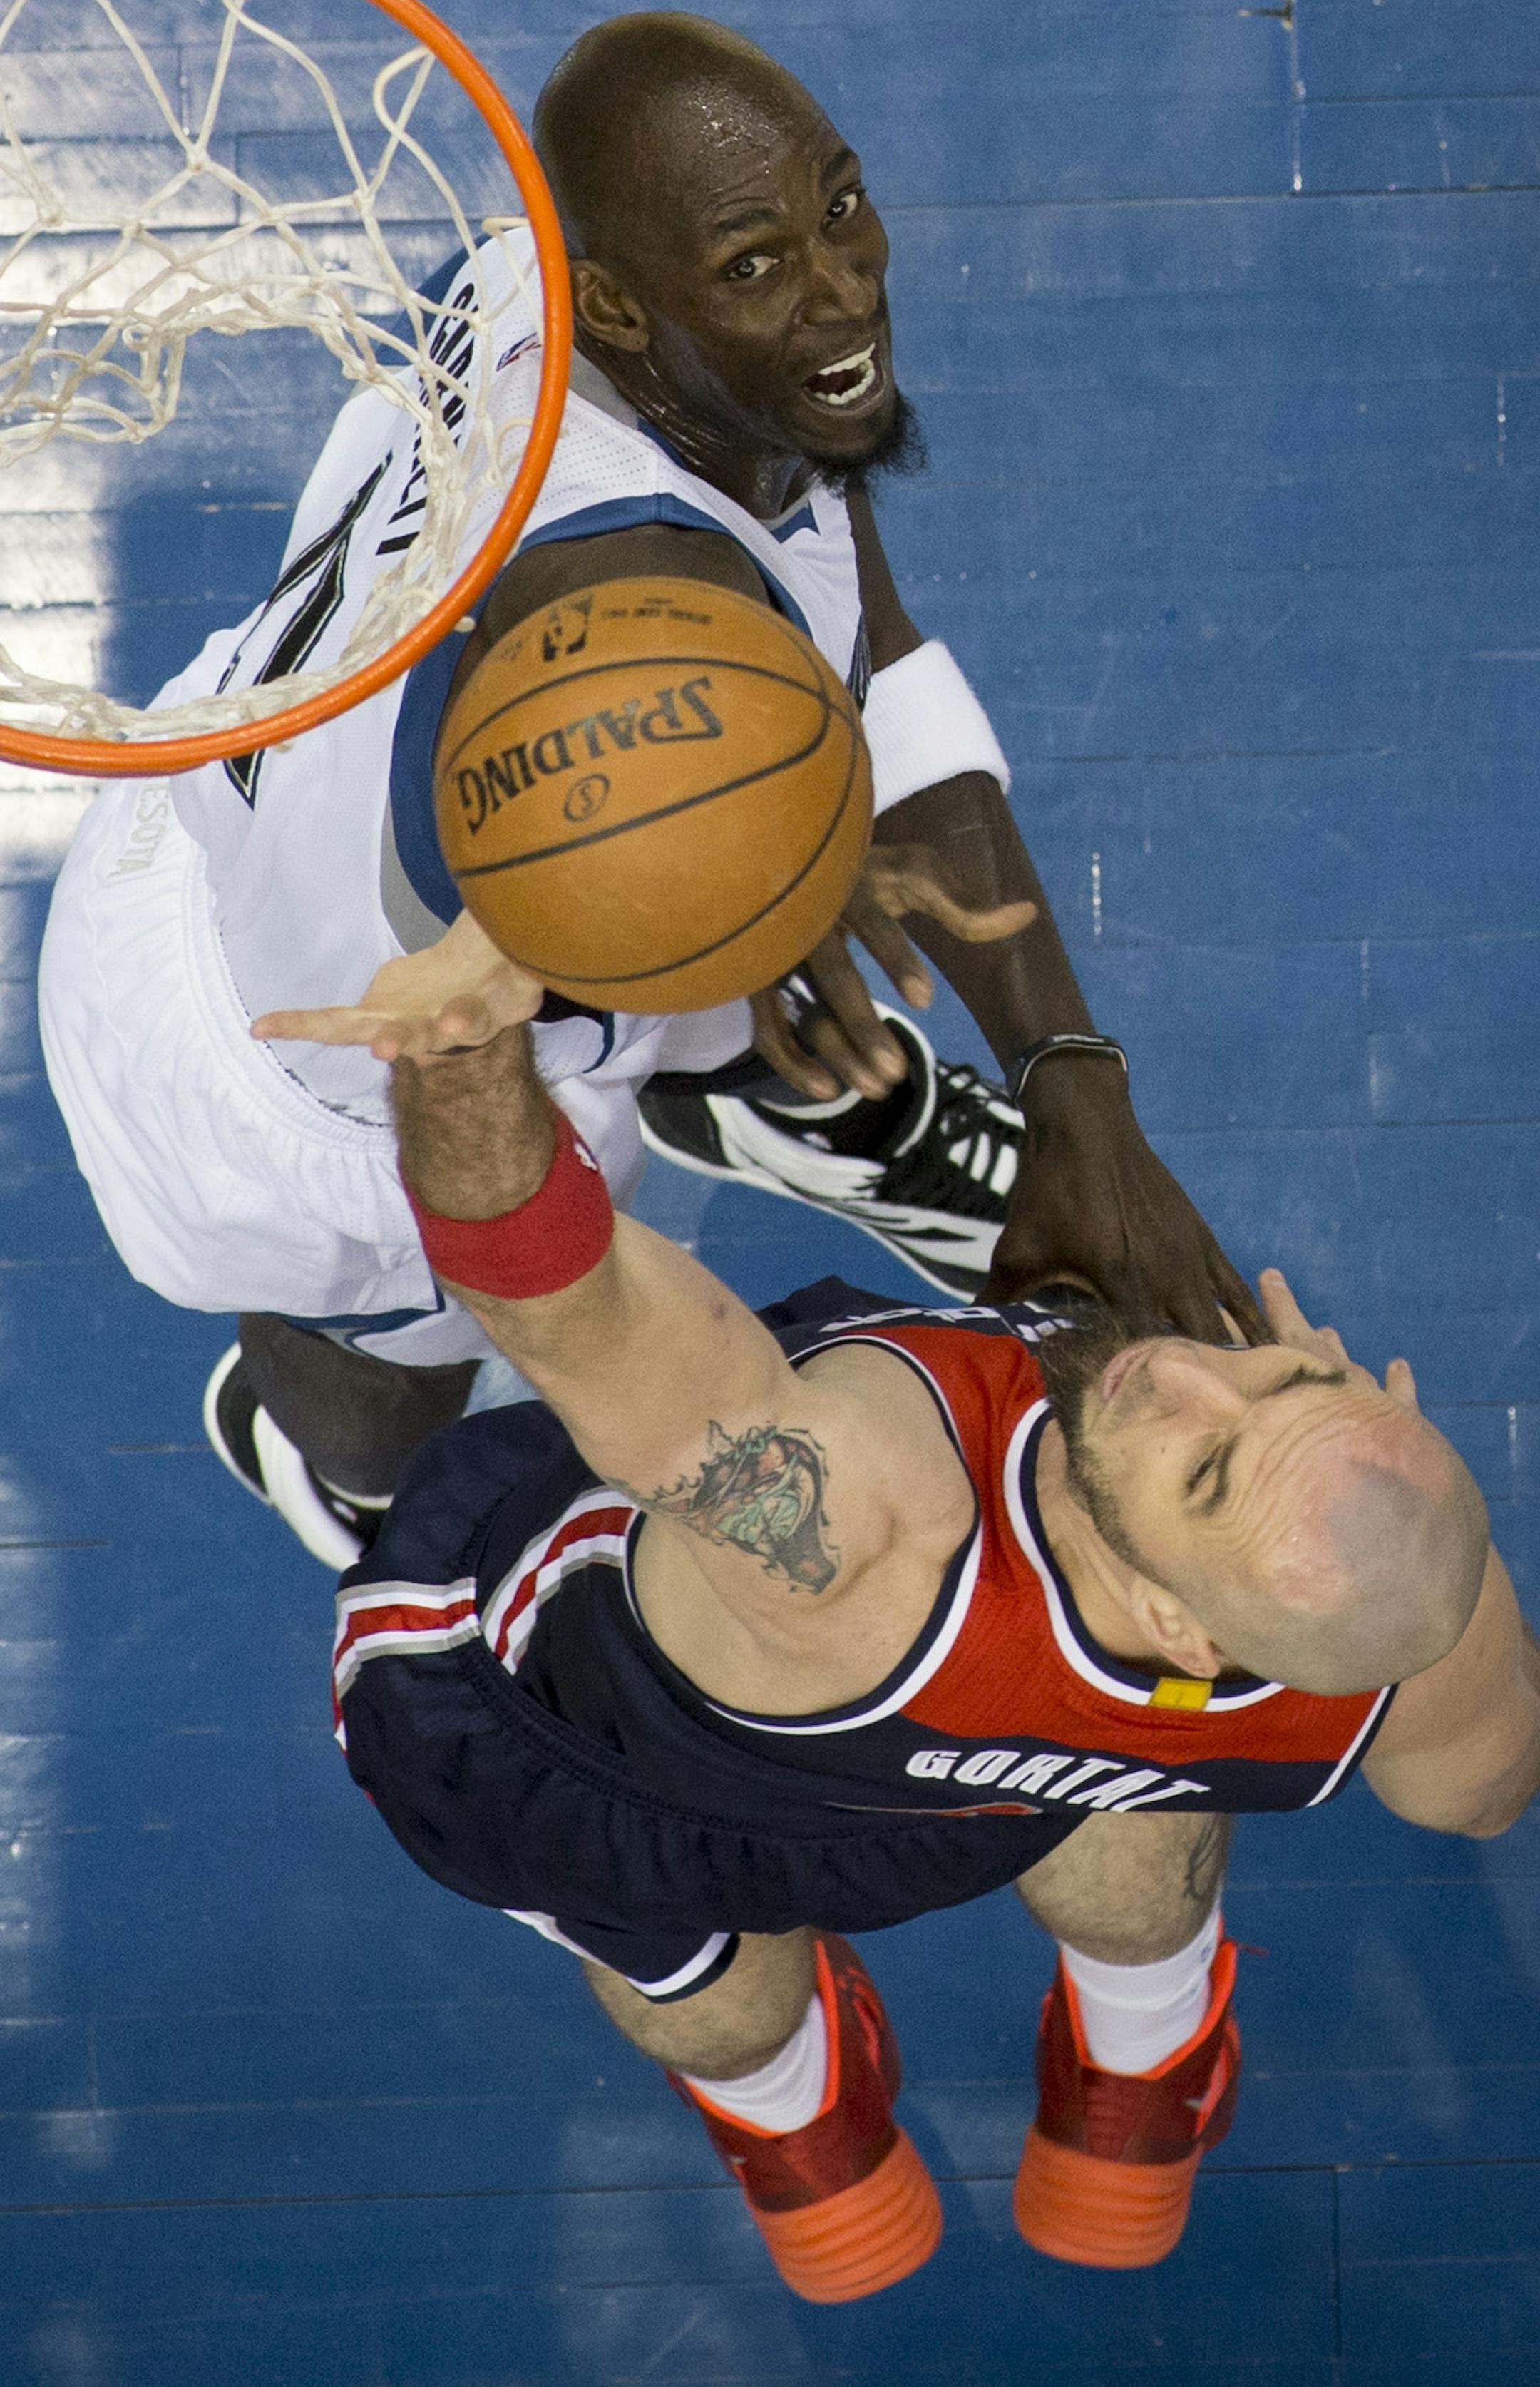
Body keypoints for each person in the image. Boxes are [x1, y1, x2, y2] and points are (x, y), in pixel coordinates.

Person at [38, 11, 1260, 1570]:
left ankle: (750, 1073)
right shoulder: (625, 631)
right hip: (301, 1068)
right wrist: (783, 889)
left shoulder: (569, 285)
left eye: (842, 201)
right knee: (387, 1418)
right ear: (616, 300)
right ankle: (317, 1456)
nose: (844, 287)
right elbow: (677, 737)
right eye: (759, 266)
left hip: (253, 769)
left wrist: (1076, 1089)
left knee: (755, 862)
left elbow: (858, 637)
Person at [270, 934, 1540, 2299]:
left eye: (1208, 1464)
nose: (1184, 1373)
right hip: (983, 1784)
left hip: (589, 1745)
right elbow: (1482, 1791)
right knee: (1148, 1788)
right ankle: (1139, 2086)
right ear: (1365, 1376)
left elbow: (563, 1305)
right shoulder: (1401, 1653)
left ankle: (799, 2134)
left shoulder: (851, 1526)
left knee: (713, 1999)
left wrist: (463, 1057)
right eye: (1285, 1386)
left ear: (1182, 1622)